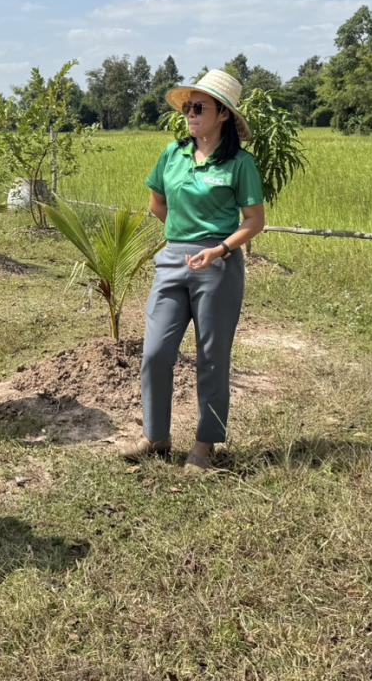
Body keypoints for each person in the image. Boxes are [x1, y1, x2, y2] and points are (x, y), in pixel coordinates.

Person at [122, 69, 266, 471]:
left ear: (223, 114)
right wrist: (181, 239)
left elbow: (254, 220)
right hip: (172, 261)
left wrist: (217, 249)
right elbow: (157, 203)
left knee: (212, 356)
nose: (190, 113)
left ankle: (206, 443)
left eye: (199, 107)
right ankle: (156, 436)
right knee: (155, 352)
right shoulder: (173, 154)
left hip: (217, 266)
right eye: (188, 107)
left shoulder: (240, 164)